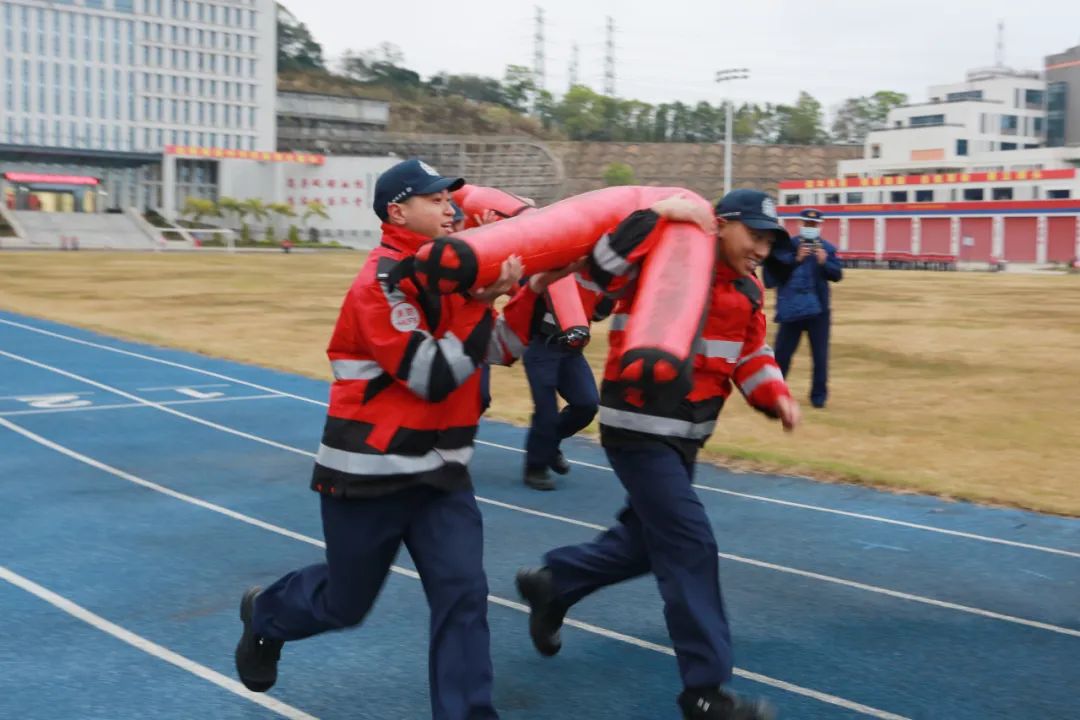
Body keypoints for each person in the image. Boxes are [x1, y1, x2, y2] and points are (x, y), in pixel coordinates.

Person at [234, 158, 576, 720]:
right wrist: (482, 300)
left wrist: (535, 289)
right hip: (370, 474)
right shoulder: (381, 282)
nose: (452, 208)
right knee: (346, 604)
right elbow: (432, 373)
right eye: (437, 199)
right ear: (398, 210)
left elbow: (502, 348)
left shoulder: (454, 275)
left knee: (464, 596)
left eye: (452, 199)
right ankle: (266, 615)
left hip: (440, 475)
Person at [515, 189, 799, 720]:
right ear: (722, 223)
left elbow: (751, 353)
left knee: (645, 544)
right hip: (638, 429)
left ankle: (554, 584)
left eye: (768, 241)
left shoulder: (749, 289)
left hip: (687, 436)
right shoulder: (666, 254)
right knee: (690, 544)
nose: (761, 248)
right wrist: (653, 217)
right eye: (754, 235)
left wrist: (774, 395)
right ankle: (705, 691)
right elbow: (596, 278)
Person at [520, 281, 607, 490]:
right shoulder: (551, 261)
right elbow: (525, 289)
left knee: (587, 404)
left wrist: (611, 291)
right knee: (546, 411)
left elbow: (598, 313)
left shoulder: (594, 273)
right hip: (541, 346)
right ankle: (536, 467)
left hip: (571, 351)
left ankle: (548, 445)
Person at [762, 208, 842, 409]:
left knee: (820, 356)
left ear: (819, 226)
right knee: (782, 354)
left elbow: (837, 274)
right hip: (792, 311)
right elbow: (774, 275)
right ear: (800, 224)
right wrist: (795, 259)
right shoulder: (788, 247)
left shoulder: (827, 249)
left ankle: (819, 397)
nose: (810, 228)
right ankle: (774, 393)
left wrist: (824, 262)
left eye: (814, 225)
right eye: (807, 224)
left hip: (819, 312)